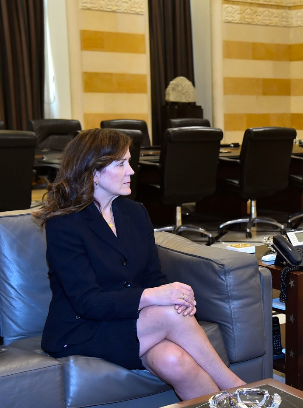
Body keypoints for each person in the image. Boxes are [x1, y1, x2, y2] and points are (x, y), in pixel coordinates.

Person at [33, 128, 245, 401]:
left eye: (129, 162)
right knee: (169, 315)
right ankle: (237, 388)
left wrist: (177, 297)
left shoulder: (135, 212)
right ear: (94, 172)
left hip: (130, 320)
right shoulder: (64, 224)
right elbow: (87, 302)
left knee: (174, 360)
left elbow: (152, 276)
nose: (131, 171)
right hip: (81, 329)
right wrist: (156, 297)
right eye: (121, 164)